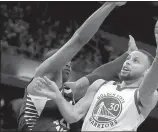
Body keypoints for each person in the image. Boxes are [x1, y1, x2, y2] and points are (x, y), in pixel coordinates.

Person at [33, 33, 158, 131]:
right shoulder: (100, 85)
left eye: (135, 61)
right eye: (128, 59)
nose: (128, 62)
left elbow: (148, 88)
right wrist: (58, 97)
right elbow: (73, 115)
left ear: (146, 72)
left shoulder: (144, 96)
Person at [17, 2, 127, 131]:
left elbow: (97, 75)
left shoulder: (68, 91)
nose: (69, 64)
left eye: (70, 63)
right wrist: (110, 4)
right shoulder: (41, 81)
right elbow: (79, 39)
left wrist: (128, 55)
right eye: (65, 62)